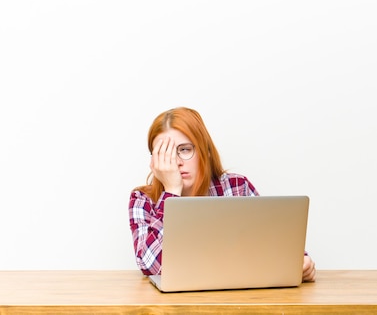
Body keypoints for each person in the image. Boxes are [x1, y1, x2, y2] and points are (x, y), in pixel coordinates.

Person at [128, 107, 316, 282]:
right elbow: (150, 265)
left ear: (205, 151)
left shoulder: (236, 188)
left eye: (184, 150)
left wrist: (301, 263)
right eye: (165, 154)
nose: (176, 162)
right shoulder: (142, 200)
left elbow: (275, 247)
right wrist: (171, 192)